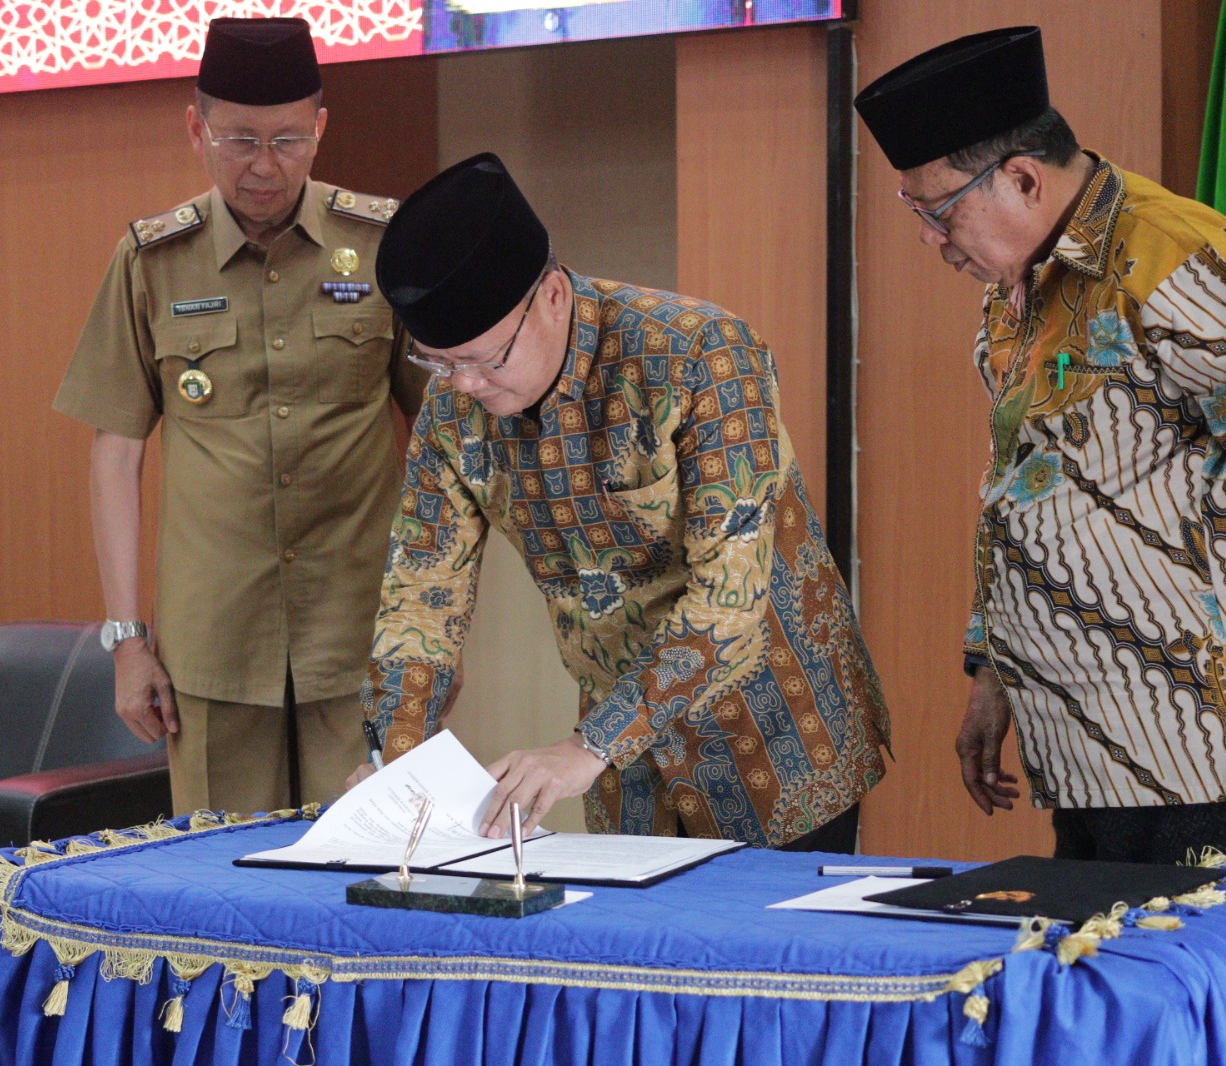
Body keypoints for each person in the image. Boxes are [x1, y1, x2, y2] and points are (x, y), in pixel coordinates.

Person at [854, 27, 1226, 877]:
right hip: (1086, 746)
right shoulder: (1017, 290)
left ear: (1022, 178)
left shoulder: (1168, 259)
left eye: (936, 207)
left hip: (1198, 746)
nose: (928, 236)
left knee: (1198, 997)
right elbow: (1016, 488)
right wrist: (995, 670)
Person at [355, 152, 890, 851]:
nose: (463, 386)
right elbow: (422, 593)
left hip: (777, 729)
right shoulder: (452, 414)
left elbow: (728, 602)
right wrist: (392, 766)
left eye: (486, 359)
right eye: (439, 363)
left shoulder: (699, 355)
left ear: (551, 296)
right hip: (621, 760)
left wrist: (590, 744)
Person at [54, 17, 426, 815]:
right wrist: (127, 643)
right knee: (224, 884)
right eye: (239, 141)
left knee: (368, 883)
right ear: (198, 129)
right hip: (214, 646)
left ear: (321, 129)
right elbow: (115, 456)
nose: (264, 167)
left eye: (288, 140)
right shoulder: (151, 261)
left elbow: (449, 450)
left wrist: (436, 631)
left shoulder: (384, 244)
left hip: (363, 638)